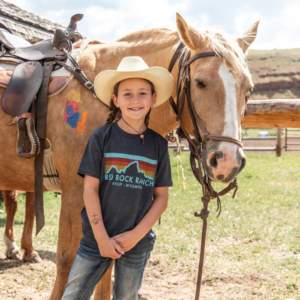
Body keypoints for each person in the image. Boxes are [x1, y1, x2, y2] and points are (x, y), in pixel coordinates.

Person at [62, 56, 174, 300]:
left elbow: (161, 198)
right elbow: (90, 190)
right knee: (72, 296)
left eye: (142, 93)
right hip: (95, 239)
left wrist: (136, 235)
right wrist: (102, 238)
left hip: (137, 243)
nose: (135, 100)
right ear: (115, 100)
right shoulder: (101, 137)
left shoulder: (158, 145)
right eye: (127, 94)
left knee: (126, 296)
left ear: (153, 99)